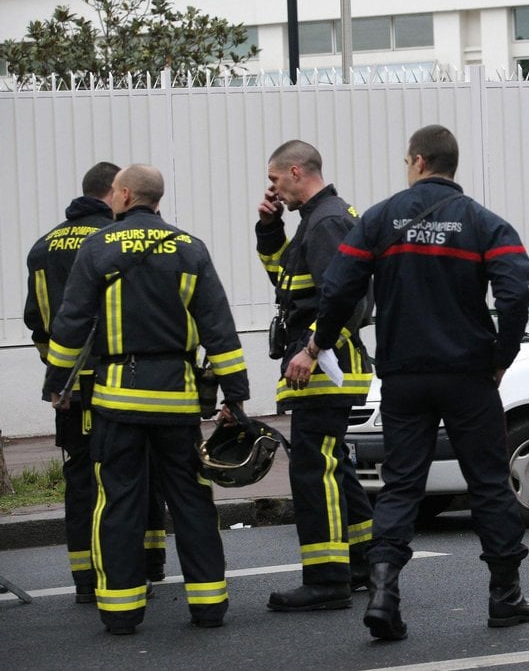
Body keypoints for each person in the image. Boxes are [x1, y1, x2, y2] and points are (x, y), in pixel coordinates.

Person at [289, 124, 529, 640]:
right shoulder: (485, 224)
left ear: (419, 161)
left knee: (402, 484)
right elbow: (514, 293)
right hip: (468, 375)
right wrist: (501, 355)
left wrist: (320, 344)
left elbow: (337, 289)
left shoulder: (379, 219)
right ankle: (505, 596)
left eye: (407, 160)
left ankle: (384, 592)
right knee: (489, 483)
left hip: (403, 376)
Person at [43, 164, 249, 635]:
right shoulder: (190, 248)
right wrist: (235, 395)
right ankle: (209, 605)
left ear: (127, 194)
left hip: (117, 398)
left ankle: (120, 612)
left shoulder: (98, 246)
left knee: (118, 500)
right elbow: (219, 329)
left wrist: (58, 383)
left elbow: (71, 323)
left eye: (115, 192)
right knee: (193, 499)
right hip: (176, 399)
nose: (111, 198)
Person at [23, 162, 168, 605]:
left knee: (82, 481)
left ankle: (86, 578)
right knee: (134, 472)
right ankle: (146, 565)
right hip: (118, 380)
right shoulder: (115, 240)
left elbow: (38, 323)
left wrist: (59, 378)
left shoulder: (42, 247)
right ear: (116, 192)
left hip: (70, 388)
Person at [255, 140, 375, 612]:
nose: (273, 188)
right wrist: (269, 230)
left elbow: (343, 297)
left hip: (323, 366)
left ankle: (327, 581)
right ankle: (363, 562)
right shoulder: (317, 219)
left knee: (312, 469)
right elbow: (289, 283)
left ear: (297, 170)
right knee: (334, 467)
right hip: (323, 361)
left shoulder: (326, 222)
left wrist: (313, 349)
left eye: (276, 179)